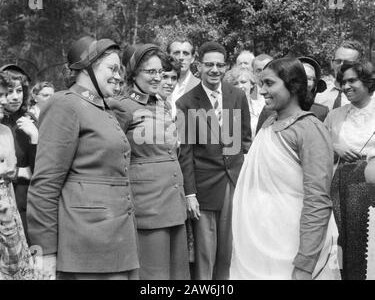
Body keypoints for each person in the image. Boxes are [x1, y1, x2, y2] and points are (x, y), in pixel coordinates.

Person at [27, 36, 139, 280]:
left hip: (116, 238)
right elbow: (45, 184)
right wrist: (45, 251)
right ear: (87, 67)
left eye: (119, 69)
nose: (119, 76)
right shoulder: (64, 104)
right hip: (86, 244)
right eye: (112, 68)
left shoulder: (103, 109)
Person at [230, 57, 340, 280]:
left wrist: (305, 263)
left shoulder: (310, 130)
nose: (261, 91)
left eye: (269, 84)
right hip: (259, 247)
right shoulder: (269, 123)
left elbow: (317, 200)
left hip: (294, 251)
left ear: (293, 85)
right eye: (261, 84)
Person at [109, 44, 190, 280]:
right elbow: (114, 159)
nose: (157, 78)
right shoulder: (121, 106)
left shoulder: (162, 104)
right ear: (133, 73)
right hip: (148, 207)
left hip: (174, 204)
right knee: (153, 277)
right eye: (150, 72)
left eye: (160, 72)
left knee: (178, 274)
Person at [176, 41, 251, 280]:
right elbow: (185, 152)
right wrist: (190, 194)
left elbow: (245, 139)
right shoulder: (186, 102)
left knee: (229, 252)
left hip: (233, 182)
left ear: (227, 66)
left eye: (220, 65)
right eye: (209, 64)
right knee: (206, 253)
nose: (214, 70)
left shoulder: (237, 96)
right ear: (198, 66)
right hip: (204, 186)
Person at [325, 60, 375, 280]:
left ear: (367, 80)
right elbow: (319, 148)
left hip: (371, 183)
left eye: (352, 80)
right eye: (343, 82)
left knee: (368, 241)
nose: (346, 86)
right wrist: (335, 146)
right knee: (344, 242)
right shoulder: (336, 115)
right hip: (342, 186)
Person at [0, 73, 41, 280]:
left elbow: (40, 169)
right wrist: (18, 173)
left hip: (28, 203)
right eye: (8, 92)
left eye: (19, 91)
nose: (14, 97)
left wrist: (35, 137)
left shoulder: (30, 120)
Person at [256, 56, 329, 134]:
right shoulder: (270, 110)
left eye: (309, 78)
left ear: (315, 84)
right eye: (301, 77)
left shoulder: (321, 112)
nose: (304, 82)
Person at [315, 40, 364, 110]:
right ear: (332, 64)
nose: (341, 65)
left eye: (348, 62)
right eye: (338, 61)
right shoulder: (319, 96)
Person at [224, 67, 264, 140]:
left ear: (251, 84)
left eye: (243, 82)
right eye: (235, 83)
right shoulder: (225, 109)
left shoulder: (261, 106)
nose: (240, 86)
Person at [167, 37, 200, 117]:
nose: (181, 58)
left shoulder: (202, 88)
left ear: (192, 58)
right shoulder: (157, 86)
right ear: (168, 56)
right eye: (176, 53)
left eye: (185, 53)